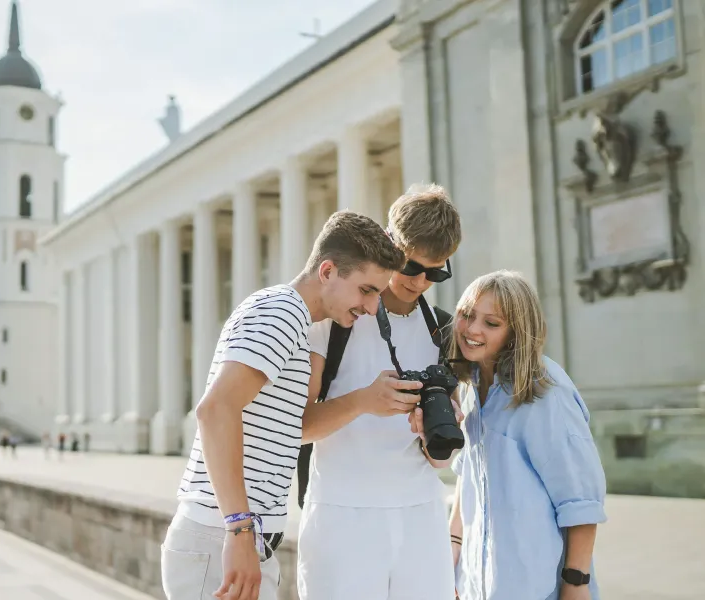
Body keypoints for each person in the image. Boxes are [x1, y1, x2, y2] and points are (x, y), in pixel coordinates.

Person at [162, 211, 406, 600]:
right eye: (366, 290)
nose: (373, 306)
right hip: (221, 537)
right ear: (327, 271)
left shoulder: (296, 321)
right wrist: (239, 528)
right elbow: (215, 410)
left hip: (240, 538)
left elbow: (296, 426)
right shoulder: (282, 313)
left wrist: (364, 401)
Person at [297, 183, 464, 599]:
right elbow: (297, 427)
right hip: (342, 515)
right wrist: (363, 402)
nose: (422, 281)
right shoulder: (333, 318)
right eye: (411, 267)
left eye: (436, 272)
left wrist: (440, 432)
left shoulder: (443, 330)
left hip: (422, 514)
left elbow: (440, 458)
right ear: (391, 245)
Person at [424, 270, 607, 600]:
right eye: (467, 315)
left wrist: (576, 584)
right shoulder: (469, 388)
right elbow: (469, 480)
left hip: (538, 590)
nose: (472, 329)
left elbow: (580, 500)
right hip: (479, 587)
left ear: (515, 333)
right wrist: (452, 553)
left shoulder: (546, 391)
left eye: (491, 323)